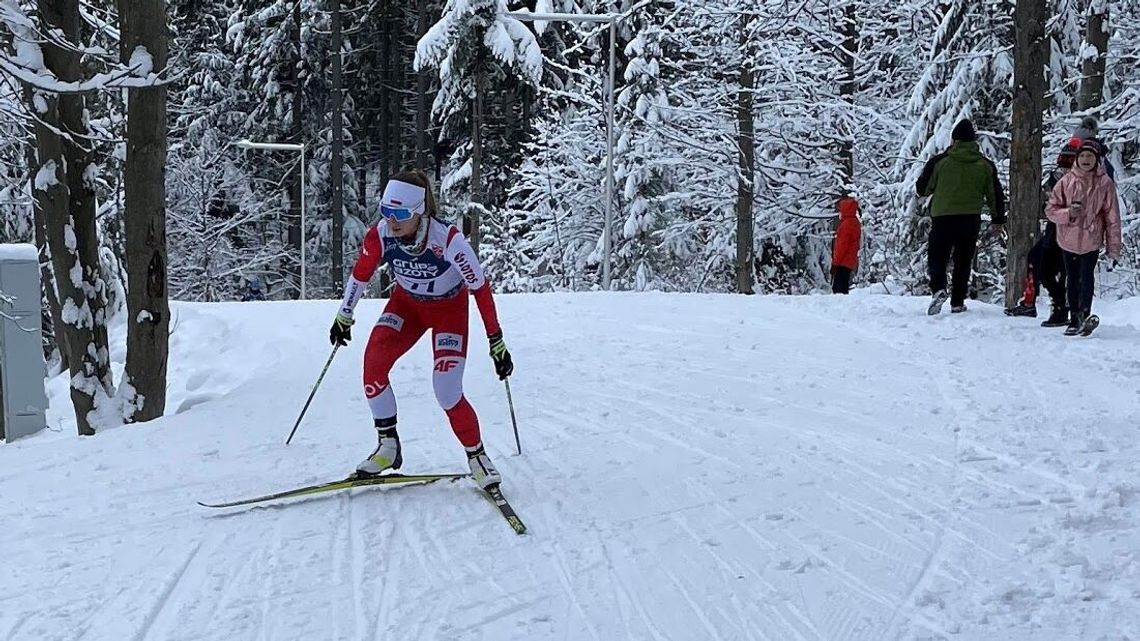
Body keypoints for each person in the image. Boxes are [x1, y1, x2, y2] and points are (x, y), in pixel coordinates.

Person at [329, 170, 515, 489]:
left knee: (446, 389)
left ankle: (477, 456)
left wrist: (495, 340)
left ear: (420, 212)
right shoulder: (382, 234)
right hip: (407, 307)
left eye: (400, 214)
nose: (392, 221)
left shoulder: (450, 240)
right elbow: (361, 274)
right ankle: (388, 447)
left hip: (448, 311)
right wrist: (344, 314)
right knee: (373, 366)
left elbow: (480, 289)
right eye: (387, 212)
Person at [915, 118, 1007, 315]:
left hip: (943, 216)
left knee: (937, 256)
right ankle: (957, 301)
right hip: (970, 218)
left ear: (954, 140)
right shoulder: (985, 165)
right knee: (963, 260)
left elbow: (922, 189)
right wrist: (998, 219)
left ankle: (939, 288)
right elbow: (995, 194)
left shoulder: (940, 162)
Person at [1044, 139, 1122, 336]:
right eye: (1083, 156)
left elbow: (1113, 217)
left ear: (1097, 159)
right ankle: (1074, 317)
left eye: (1090, 156)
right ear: (1076, 159)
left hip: (1091, 239)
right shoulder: (1066, 181)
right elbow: (1050, 210)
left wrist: (1114, 247)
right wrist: (1068, 213)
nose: (1086, 160)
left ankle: (1085, 313)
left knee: (1086, 277)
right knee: (1071, 278)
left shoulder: (1105, 183)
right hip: (1067, 239)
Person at [1004, 138, 1079, 326]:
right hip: (1053, 233)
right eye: (1062, 167)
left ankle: (1067, 310)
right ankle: (1039, 302)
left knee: (1067, 271)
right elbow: (1046, 204)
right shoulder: (1055, 179)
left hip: (1075, 236)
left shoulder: (1087, 181)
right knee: (1040, 264)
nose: (1065, 172)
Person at [831, 197, 861, 294]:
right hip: (850, 260)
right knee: (843, 287)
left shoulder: (846, 225)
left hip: (842, 261)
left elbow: (841, 246)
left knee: (838, 289)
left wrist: (835, 263)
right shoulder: (855, 222)